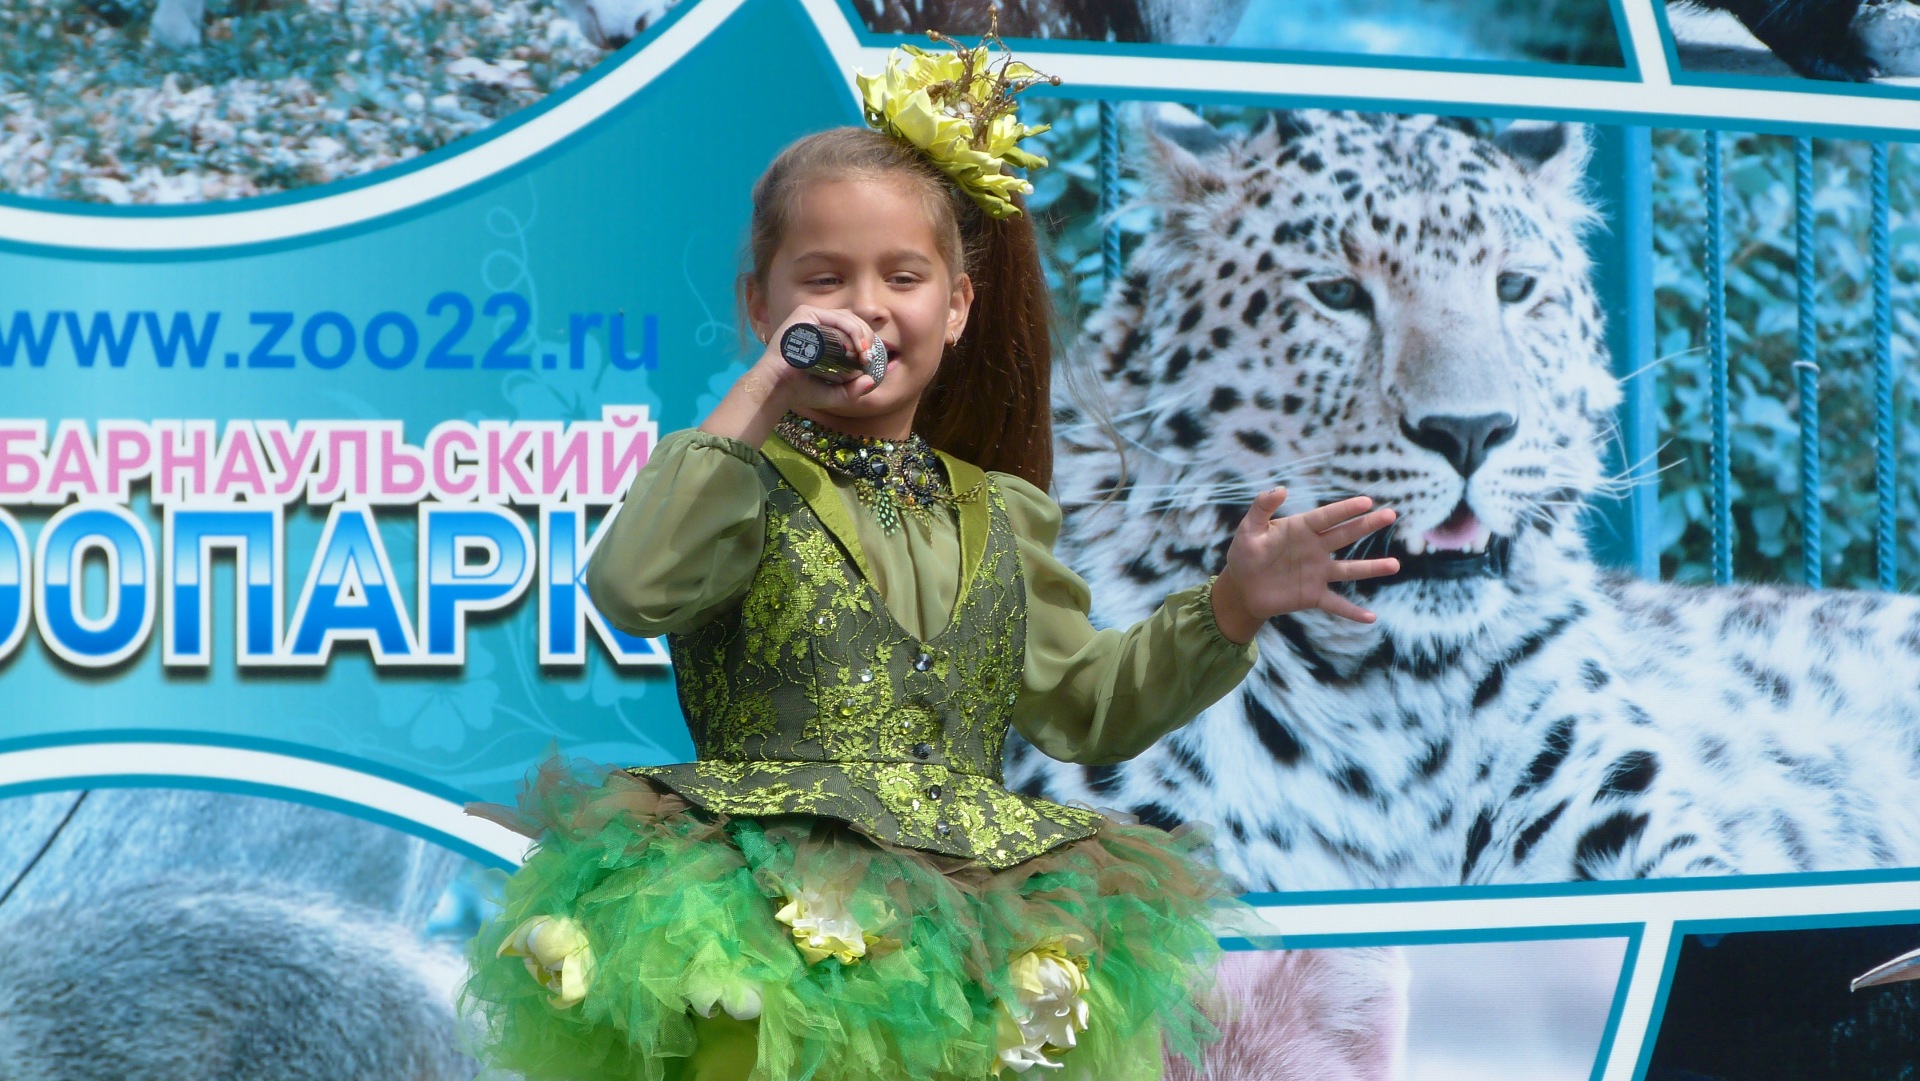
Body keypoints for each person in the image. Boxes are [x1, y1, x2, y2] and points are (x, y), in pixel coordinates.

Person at [460, 26, 1399, 1081]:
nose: (865, 306)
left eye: (901, 276)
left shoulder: (1001, 514)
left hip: (963, 935)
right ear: (762, 306)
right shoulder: (736, 484)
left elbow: (1085, 706)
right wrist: (767, 388)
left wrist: (1231, 605)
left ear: (955, 308)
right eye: (825, 279)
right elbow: (634, 583)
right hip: (755, 925)